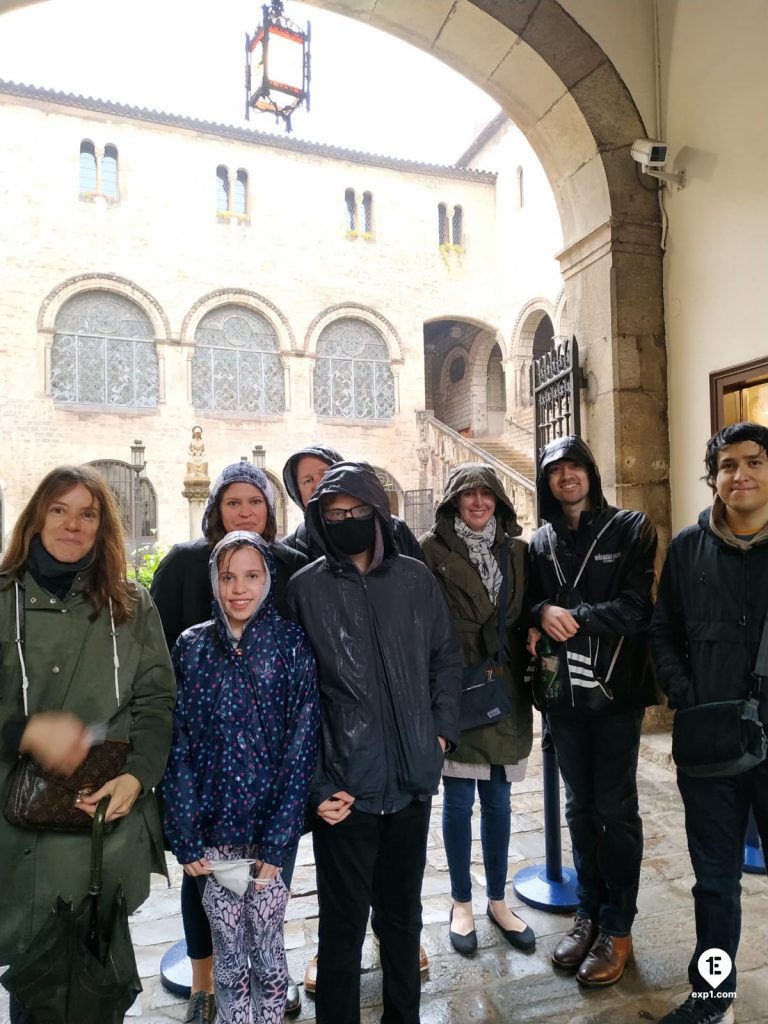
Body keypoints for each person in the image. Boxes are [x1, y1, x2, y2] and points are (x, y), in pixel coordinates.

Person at [286, 461, 461, 1024]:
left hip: (411, 780)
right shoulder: (304, 589)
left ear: (378, 515)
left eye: (359, 512)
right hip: (346, 792)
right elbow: (295, 699)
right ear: (318, 519)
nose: (347, 521)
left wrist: (439, 735)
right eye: (334, 514)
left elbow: (445, 658)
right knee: (342, 928)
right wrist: (317, 783)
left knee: (403, 918)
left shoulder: (415, 578)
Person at [0, 465, 176, 1024]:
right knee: (37, 988)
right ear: (35, 520)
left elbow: (156, 703)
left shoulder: (132, 605)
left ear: (103, 529)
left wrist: (137, 777)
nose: (73, 524)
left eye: (88, 513)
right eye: (59, 510)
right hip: (17, 832)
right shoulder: (3, 600)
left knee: (97, 993)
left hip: (104, 831)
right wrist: (22, 732)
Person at [150, 460, 307, 1020]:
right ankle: (206, 986)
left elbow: (299, 738)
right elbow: (178, 736)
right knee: (223, 937)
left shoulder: (288, 638)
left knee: (266, 944)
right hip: (211, 818)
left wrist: (282, 836)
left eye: (255, 501)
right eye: (233, 501)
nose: (239, 588)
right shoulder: (191, 637)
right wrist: (184, 830)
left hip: (268, 820)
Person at [526, 436, 657, 988]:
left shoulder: (632, 528)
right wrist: (541, 610)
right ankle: (589, 913)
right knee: (580, 809)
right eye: (556, 470)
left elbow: (636, 607)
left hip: (616, 694)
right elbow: (529, 602)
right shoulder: (538, 542)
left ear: (591, 473)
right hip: (563, 698)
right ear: (547, 482)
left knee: (616, 809)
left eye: (576, 466)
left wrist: (569, 616)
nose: (567, 477)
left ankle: (618, 927)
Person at [650, 421, 768, 1024]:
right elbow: (662, 629)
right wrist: (685, 691)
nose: (739, 474)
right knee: (714, 882)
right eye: (727, 465)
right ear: (714, 476)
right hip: (710, 738)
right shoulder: (690, 548)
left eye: (753, 462)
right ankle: (712, 995)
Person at [420, 463, 534, 955]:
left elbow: (532, 608)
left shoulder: (519, 552)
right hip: (457, 683)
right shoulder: (430, 552)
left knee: (500, 802)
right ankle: (460, 900)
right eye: (469, 494)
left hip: (504, 684)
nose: (479, 502)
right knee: (459, 800)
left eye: (487, 494)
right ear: (453, 501)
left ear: (500, 502)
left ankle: (497, 898)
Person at [282, 443, 424, 561]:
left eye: (325, 474)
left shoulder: (394, 530)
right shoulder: (294, 547)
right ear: (297, 492)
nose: (318, 484)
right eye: (307, 480)